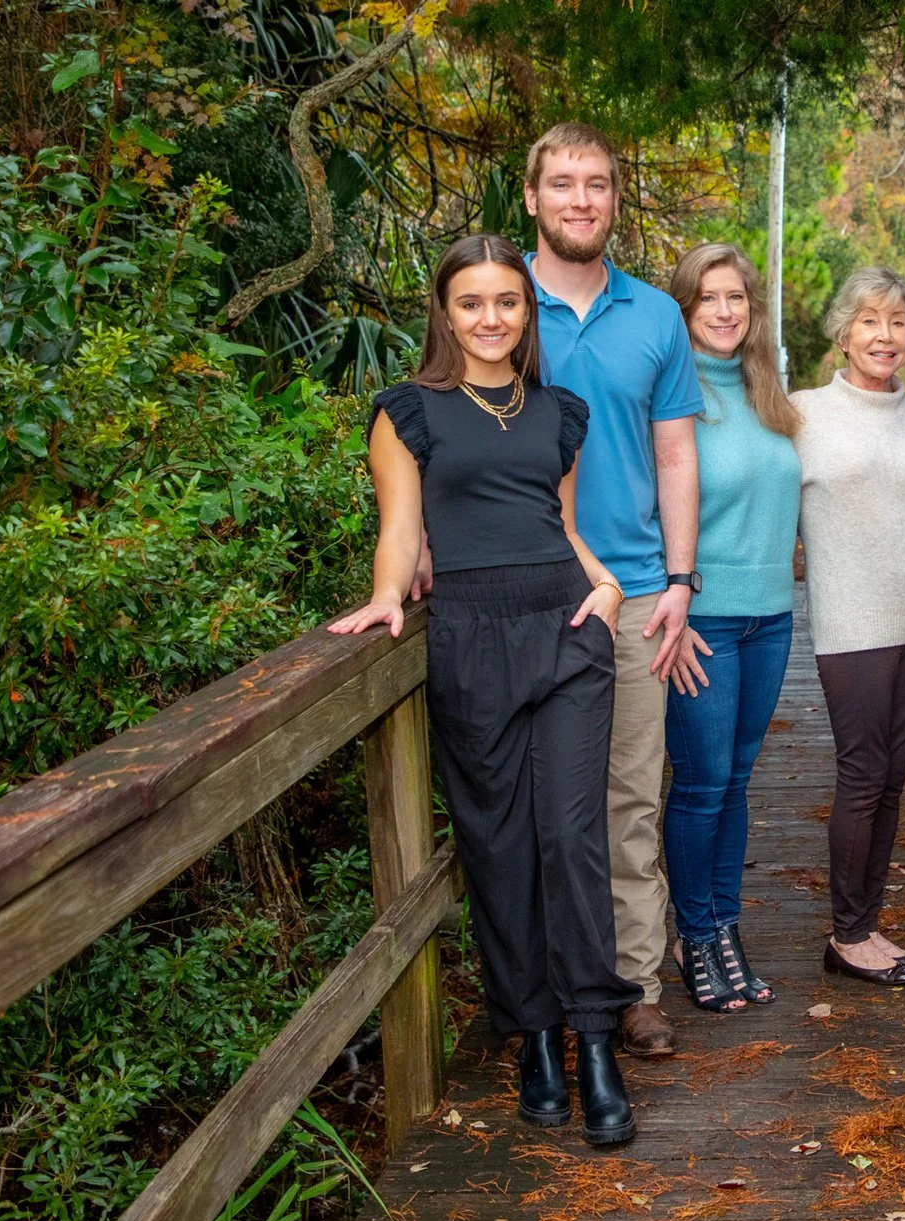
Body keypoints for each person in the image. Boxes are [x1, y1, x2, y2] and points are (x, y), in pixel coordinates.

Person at [329, 234, 639, 1145]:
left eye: (509, 301)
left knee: (573, 838)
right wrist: (388, 598)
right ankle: (536, 1037)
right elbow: (400, 526)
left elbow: (562, 525)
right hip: (468, 636)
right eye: (472, 303)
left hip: (566, 625)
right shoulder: (407, 413)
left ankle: (595, 1042)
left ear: (526, 311)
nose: (492, 318)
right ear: (445, 312)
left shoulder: (560, 412)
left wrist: (609, 584)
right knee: (498, 847)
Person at [524, 122, 703, 1058]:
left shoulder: (654, 317)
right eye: (563, 183)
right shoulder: (496, 301)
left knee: (631, 800)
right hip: (525, 591)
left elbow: (676, 451)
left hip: (634, 595)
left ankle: (634, 985)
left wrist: (680, 578)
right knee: (539, 806)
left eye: (596, 184)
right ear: (532, 198)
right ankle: (549, 989)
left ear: (614, 200)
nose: (581, 199)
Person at [794, 267, 905, 985]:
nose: (884, 335)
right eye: (869, 321)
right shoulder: (802, 414)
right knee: (861, 774)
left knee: (891, 779)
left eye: (896, 321)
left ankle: (867, 922)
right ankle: (847, 935)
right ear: (844, 331)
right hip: (849, 624)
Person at [658, 243, 801, 1013]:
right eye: (708, 298)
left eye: (737, 297)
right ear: (684, 309)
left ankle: (725, 929)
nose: (724, 310)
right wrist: (669, 612)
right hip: (702, 618)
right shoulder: (670, 398)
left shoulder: (765, 391)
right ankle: (697, 933)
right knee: (703, 782)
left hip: (772, 618)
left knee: (737, 781)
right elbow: (651, 512)